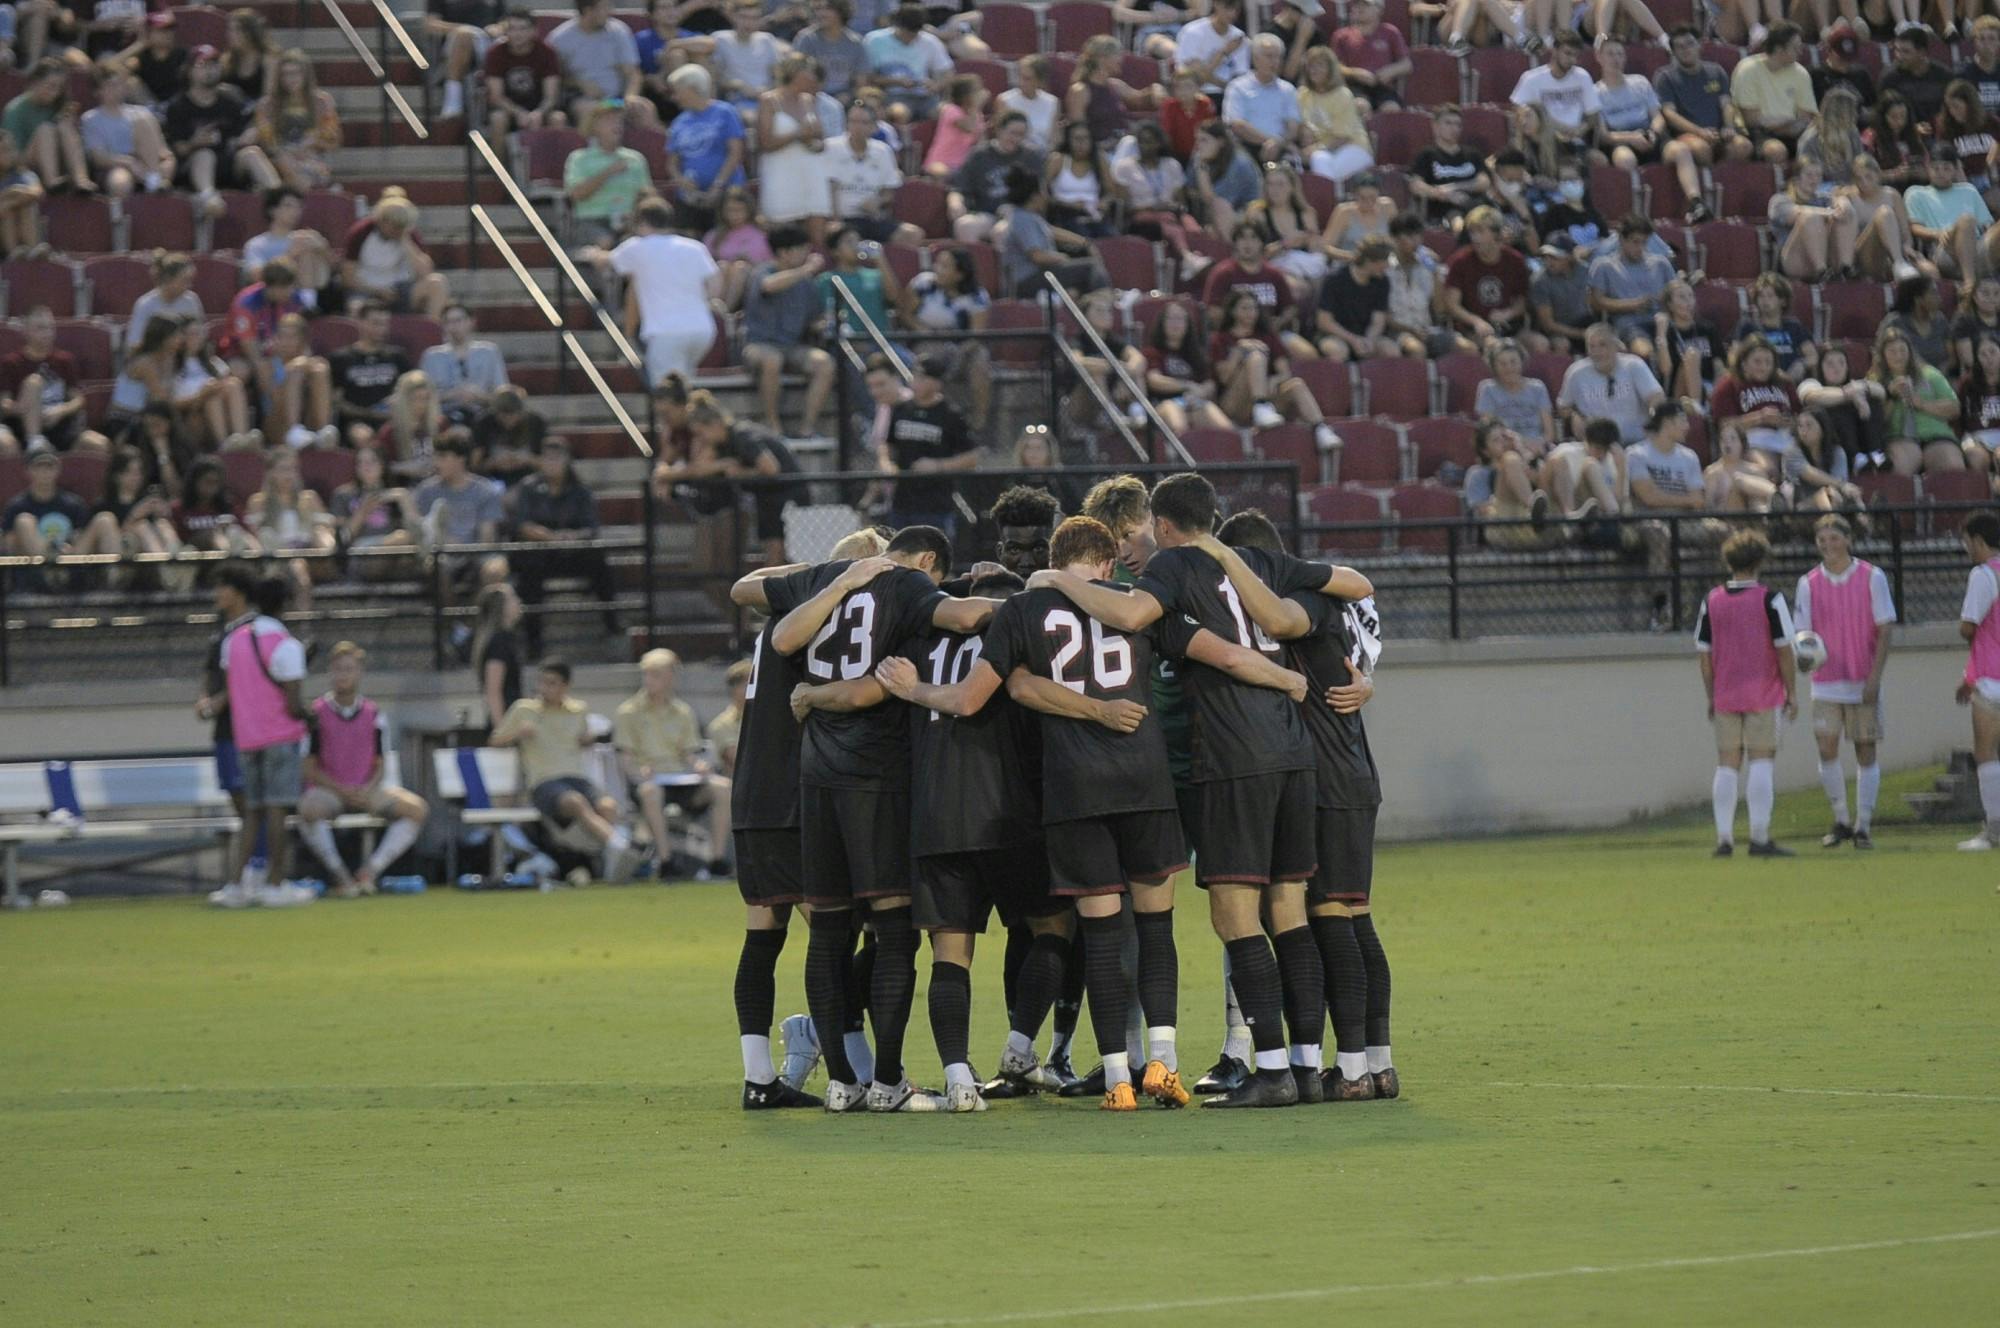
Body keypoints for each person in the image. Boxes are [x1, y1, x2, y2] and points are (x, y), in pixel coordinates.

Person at [1026, 475, 1372, 1108]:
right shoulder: (1261, 559)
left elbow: (1132, 614)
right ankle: (1304, 1064)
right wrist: (1291, 679)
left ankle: (1267, 1071)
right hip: (1296, 754)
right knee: (1289, 911)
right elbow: (1353, 585)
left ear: (1162, 525)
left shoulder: (1176, 566)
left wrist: (1058, 580)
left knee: (1234, 915)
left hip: (1233, 757)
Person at [760, 527, 999, 1112]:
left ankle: (842, 1081)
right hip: (876, 779)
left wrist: (838, 583)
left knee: (828, 931)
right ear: (926, 561)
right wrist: (1038, 595)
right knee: (894, 933)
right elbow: (965, 619)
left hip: (814, 777)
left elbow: (780, 638)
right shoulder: (910, 585)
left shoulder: (823, 578)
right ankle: (888, 1081)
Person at [1216, 507, 1390, 1099]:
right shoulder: (1329, 602)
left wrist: (1224, 562)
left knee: (1333, 922)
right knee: (1351, 921)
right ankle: (1374, 1064)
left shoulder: (1305, 602)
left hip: (1331, 782)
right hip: (1348, 775)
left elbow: (1284, 620)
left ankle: (1356, 1068)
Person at [209, 567, 316, 907]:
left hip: (246, 737)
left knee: (250, 813)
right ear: (284, 605)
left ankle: (237, 886)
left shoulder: (233, 640)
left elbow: (234, 688)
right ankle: (275, 883)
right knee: (276, 812)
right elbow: (293, 703)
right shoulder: (286, 645)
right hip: (280, 736)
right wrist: (312, 717)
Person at [1788, 513, 1896, 851]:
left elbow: (1885, 629)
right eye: (1822, 539)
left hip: (1861, 678)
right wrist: (1805, 658)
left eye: (1834, 538)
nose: (1828, 544)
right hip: (1826, 680)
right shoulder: (1808, 583)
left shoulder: (1871, 577)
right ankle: (1840, 819)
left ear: (1848, 540)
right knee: (1826, 747)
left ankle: (1864, 824)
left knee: (1865, 749)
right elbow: (1801, 634)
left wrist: (1874, 677)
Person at [295, 642, 429, 897]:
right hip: (331, 790)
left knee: (416, 810)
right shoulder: (316, 713)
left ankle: (371, 870)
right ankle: (340, 873)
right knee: (308, 810)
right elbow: (308, 767)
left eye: (349, 669)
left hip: (366, 789)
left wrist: (366, 788)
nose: (343, 675)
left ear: (359, 673)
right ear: (330, 673)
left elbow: (380, 762)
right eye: (338, 669)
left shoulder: (373, 713)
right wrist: (342, 791)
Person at [490, 658, 641, 881]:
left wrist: (587, 739)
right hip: (543, 782)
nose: (544, 689)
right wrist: (517, 734)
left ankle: (607, 864)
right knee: (575, 802)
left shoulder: (578, 710)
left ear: (565, 687)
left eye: (551, 684)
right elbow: (495, 740)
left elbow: (583, 739)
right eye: (542, 683)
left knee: (608, 805)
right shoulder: (524, 710)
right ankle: (620, 846)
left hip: (576, 777)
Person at [1696, 529, 1798, 858]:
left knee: (1727, 764)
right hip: (1763, 694)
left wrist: (1712, 695)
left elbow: (1704, 654)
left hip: (1726, 694)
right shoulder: (1771, 600)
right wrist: (1792, 692)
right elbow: (1785, 650)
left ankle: (1724, 839)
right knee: (1762, 760)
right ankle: (1759, 836)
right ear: (1760, 561)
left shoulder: (1712, 600)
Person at [615, 648, 731, 879]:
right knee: (651, 792)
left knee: (723, 788)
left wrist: (699, 765)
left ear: (671, 677)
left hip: (682, 781)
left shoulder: (683, 711)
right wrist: (639, 772)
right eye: (646, 674)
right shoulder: (628, 712)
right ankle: (666, 861)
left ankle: (717, 859)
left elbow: (689, 753)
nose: (649, 680)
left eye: (656, 674)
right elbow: (625, 759)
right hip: (648, 782)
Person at [581, 198, 722, 386]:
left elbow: (606, 260)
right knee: (686, 388)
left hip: (666, 333)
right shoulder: (694, 247)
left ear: (642, 222)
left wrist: (591, 253)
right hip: (702, 330)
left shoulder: (638, 246)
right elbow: (716, 282)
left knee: (668, 395)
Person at [509, 436, 618, 654]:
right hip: (539, 552)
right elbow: (522, 524)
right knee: (529, 571)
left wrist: (572, 537)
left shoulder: (581, 491)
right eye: (547, 459)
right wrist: (549, 537)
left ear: (567, 461)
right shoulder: (528, 487)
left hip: (572, 552)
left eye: (557, 459)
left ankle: (612, 621)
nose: (551, 463)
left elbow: (591, 528)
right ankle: (533, 641)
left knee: (598, 560)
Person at [741, 224, 834, 441]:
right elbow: (769, 286)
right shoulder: (763, 272)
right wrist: (806, 270)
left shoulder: (807, 284)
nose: (807, 255)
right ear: (784, 252)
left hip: (793, 347)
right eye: (802, 249)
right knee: (772, 360)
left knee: (824, 363)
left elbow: (815, 318)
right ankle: (773, 426)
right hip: (759, 344)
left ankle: (807, 429)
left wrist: (823, 323)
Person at [899, 244, 992, 432]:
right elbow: (905, 314)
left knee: (980, 361)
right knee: (930, 357)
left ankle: (978, 424)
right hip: (926, 342)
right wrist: (923, 330)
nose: (937, 269)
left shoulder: (977, 296)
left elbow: (977, 335)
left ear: (960, 274)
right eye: (938, 264)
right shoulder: (922, 284)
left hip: (964, 347)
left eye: (945, 266)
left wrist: (958, 351)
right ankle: (930, 421)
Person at [879, 354, 975, 532]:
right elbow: (887, 444)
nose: (916, 382)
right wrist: (886, 463)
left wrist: (938, 465)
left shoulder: (951, 415)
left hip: (935, 505)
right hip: (902, 501)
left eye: (922, 378)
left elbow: (972, 457)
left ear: (937, 383)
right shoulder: (901, 409)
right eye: (915, 376)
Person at [0, 305, 110, 456]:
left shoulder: (65, 360)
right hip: (21, 429)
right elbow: (5, 403)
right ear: (25, 330)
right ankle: (35, 443)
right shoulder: (12, 363)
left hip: (59, 426)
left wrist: (60, 411)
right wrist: (28, 409)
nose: (47, 333)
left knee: (99, 444)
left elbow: (78, 399)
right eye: (40, 328)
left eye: (50, 328)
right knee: (34, 382)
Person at [1955, 510, 2000, 849]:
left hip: (1991, 679)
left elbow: (1968, 626)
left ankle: (1994, 830)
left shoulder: (1984, 575)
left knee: (1986, 752)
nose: (1965, 546)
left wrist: (1968, 676)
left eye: (1967, 540)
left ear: (1979, 541)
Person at [413, 433, 503, 594]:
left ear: (460, 459)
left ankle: (484, 617)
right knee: (436, 566)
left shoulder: (486, 490)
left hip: (477, 552)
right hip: (441, 553)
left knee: (495, 569)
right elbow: (420, 531)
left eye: (442, 457)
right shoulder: (426, 491)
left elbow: (486, 538)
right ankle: (449, 619)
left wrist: (463, 548)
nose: (436, 463)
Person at [997, 165, 1104, 298]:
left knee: (1080, 280)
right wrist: (1063, 258)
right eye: (1044, 191)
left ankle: (1089, 306)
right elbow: (1037, 256)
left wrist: (1084, 242)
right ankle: (1107, 301)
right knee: (1090, 268)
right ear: (1034, 196)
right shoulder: (1022, 219)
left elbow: (1052, 231)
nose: (1046, 196)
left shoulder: (1030, 216)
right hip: (1024, 282)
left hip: (1039, 275)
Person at [340, 189, 449, 319]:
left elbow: (425, 272)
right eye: (394, 226)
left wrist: (406, 241)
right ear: (382, 221)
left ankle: (433, 332)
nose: (397, 230)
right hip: (367, 290)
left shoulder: (409, 235)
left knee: (437, 283)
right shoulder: (361, 234)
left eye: (401, 226)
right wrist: (378, 291)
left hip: (399, 289)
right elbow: (348, 278)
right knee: (355, 307)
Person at [663, 65, 745, 234]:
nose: (675, 97)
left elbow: (735, 152)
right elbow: (672, 162)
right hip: (690, 199)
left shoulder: (725, 112)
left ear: (692, 88)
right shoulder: (679, 122)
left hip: (726, 196)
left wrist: (718, 186)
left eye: (678, 90)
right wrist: (680, 180)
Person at [756, 52, 832, 230]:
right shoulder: (769, 100)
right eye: (809, 73)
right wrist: (797, 135)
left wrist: (814, 141)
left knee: (816, 223)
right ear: (795, 74)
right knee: (782, 230)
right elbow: (765, 142)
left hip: (811, 172)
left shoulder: (808, 100)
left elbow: (819, 137)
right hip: (781, 172)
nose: (813, 78)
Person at [1875, 324, 1964, 474]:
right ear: (1883, 355)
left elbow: (1954, 409)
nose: (1898, 356)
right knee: (1900, 470)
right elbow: (1874, 423)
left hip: (1936, 436)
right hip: (1899, 437)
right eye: (1892, 351)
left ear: (1910, 351)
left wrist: (1921, 404)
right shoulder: (1875, 381)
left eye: (1902, 350)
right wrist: (1890, 396)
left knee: (1953, 468)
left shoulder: (1930, 374)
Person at [1559, 321, 1667, 444]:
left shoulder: (1633, 365)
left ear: (1616, 346)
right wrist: (1573, 416)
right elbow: (1563, 407)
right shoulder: (1576, 372)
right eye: (1591, 346)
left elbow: (1656, 397)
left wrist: (1654, 418)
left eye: (1602, 345)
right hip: (1596, 445)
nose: (1596, 352)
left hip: (1636, 442)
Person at [1444, 207, 1533, 351]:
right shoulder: (1460, 261)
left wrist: (1507, 313)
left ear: (1496, 234)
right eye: (1472, 232)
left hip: (1509, 327)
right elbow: (1452, 305)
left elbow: (1522, 302)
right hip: (1471, 330)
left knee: (1540, 344)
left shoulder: (1515, 260)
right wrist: (1476, 321)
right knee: (1494, 346)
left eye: (1480, 231)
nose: (1475, 238)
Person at [563, 101, 650, 247]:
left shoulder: (636, 158)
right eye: (609, 120)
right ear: (594, 127)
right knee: (606, 243)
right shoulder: (579, 158)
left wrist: (637, 218)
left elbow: (647, 195)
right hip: (592, 221)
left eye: (619, 121)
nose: (617, 125)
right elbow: (576, 194)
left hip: (629, 222)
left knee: (638, 243)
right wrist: (608, 172)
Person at [79, 65, 174, 198]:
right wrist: (128, 162)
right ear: (98, 90)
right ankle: (120, 215)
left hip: (148, 162)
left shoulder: (141, 113)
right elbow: (98, 157)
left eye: (118, 84)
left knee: (143, 120)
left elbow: (162, 151)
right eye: (109, 85)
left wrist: (166, 161)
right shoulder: (91, 118)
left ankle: (154, 183)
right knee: (120, 182)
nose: (116, 89)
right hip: (116, 166)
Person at [1588, 215, 1676, 356]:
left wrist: (1664, 299)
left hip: (1663, 321)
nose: (1640, 248)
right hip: (1628, 324)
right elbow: (1595, 302)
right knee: (1645, 352)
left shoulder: (1661, 263)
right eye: (1635, 242)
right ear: (1622, 240)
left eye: (1644, 242)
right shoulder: (1604, 265)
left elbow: (1675, 293)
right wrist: (1631, 305)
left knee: (1686, 348)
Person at [252, 48, 340, 191]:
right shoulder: (266, 105)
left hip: (312, 157)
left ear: (305, 75)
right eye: (285, 74)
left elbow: (333, 140)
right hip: (279, 159)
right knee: (285, 161)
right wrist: (288, 151)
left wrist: (312, 142)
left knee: (313, 167)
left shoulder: (322, 102)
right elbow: (267, 142)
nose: (291, 79)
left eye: (296, 73)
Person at [3, 58, 94, 196]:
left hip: (60, 160)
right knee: (45, 129)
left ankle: (81, 180)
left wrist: (70, 123)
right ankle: (51, 181)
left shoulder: (59, 105)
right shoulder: (15, 110)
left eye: (59, 88)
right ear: (35, 83)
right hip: (27, 164)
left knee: (64, 126)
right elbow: (13, 156)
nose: (55, 92)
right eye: (51, 86)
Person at [549, 0, 646, 127]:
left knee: (645, 110)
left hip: (617, 99)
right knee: (595, 112)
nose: (610, 11)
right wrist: (579, 83)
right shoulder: (560, 38)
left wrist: (631, 95)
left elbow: (633, 73)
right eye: (604, 7)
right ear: (588, 11)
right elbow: (554, 78)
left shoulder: (619, 31)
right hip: (580, 98)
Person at [3, 446, 90, 586]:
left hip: (68, 564)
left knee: (105, 519)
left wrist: (68, 549)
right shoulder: (16, 506)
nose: (44, 473)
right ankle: (47, 572)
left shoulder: (74, 504)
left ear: (57, 470)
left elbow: (80, 537)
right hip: (31, 570)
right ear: (28, 471)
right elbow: (8, 545)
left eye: (49, 467)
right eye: (39, 468)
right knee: (24, 521)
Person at [822, 99, 906, 245]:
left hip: (872, 217)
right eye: (853, 121)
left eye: (863, 122)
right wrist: (835, 220)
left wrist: (879, 201)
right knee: (848, 239)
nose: (857, 127)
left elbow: (890, 190)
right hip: (843, 218)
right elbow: (829, 188)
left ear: (874, 127)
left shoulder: (883, 151)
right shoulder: (831, 147)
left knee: (912, 234)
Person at [328, 301, 410, 449]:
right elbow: (336, 401)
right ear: (360, 322)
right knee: (363, 436)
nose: (381, 329)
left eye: (384, 324)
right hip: (356, 421)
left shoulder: (397, 356)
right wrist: (368, 413)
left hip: (392, 419)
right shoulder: (341, 359)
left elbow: (410, 391)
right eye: (376, 323)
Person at [331, 444, 419, 581]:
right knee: (402, 537)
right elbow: (343, 538)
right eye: (361, 462)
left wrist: (404, 499)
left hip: (395, 552)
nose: (366, 467)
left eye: (372, 461)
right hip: (361, 552)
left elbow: (415, 530)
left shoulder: (395, 496)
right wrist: (363, 510)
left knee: (407, 542)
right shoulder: (344, 495)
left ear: (382, 465)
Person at [1731, 22, 1814, 164]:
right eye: (1795, 48)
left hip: (1793, 131)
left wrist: (1783, 124)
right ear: (1778, 49)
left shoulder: (1801, 73)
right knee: (1776, 151)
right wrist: (1787, 123)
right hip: (1758, 134)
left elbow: (1805, 117)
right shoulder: (1748, 69)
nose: (1800, 52)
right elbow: (1753, 121)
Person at [1510, 31, 1601, 160]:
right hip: (1542, 140)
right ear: (1555, 50)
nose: (1572, 60)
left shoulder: (1582, 76)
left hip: (1574, 140)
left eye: (1575, 56)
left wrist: (1580, 130)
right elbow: (1517, 112)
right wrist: (1556, 128)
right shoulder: (1531, 78)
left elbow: (1593, 116)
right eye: (1568, 53)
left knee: (1599, 160)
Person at [418, 304, 509, 429]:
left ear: (471, 322)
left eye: (458, 321)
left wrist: (478, 396)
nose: (453, 327)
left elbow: (502, 394)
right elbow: (421, 396)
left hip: (483, 414)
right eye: (448, 322)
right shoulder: (431, 356)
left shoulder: (489, 352)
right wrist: (451, 395)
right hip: (444, 416)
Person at [484, 8, 565, 141]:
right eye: (512, 28)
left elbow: (551, 96)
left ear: (534, 31)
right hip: (507, 110)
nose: (517, 34)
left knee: (558, 118)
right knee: (497, 119)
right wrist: (518, 113)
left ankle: (555, 160)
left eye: (522, 28)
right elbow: (496, 96)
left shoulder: (547, 53)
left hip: (541, 109)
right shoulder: (495, 53)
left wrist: (539, 113)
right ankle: (497, 162)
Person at [1315, 235, 1398, 363]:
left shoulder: (1382, 281)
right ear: (1370, 261)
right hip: (1336, 334)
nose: (1388, 266)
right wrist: (1353, 339)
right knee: (1338, 351)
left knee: (1390, 351)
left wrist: (1370, 340)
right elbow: (1324, 321)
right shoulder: (1335, 279)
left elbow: (1378, 320)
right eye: (1385, 261)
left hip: (1365, 335)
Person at [1296, 45, 1371, 185]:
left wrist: (1315, 148)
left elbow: (1343, 137)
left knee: (1319, 160)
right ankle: (1331, 198)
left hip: (1353, 147)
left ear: (1330, 69)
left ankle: (1326, 199)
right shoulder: (1303, 94)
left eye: (1320, 65)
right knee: (1319, 159)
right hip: (1324, 151)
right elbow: (1300, 123)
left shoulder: (1342, 95)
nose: (1314, 70)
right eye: (1311, 66)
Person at [863, 3, 951, 121]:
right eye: (907, 32)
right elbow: (867, 77)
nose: (910, 37)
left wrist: (936, 85)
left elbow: (947, 72)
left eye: (915, 33)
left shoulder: (930, 42)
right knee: (899, 113)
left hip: (925, 97)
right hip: (892, 96)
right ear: (897, 25)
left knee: (946, 114)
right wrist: (895, 82)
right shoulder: (874, 40)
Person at [1409, 103, 1492, 226]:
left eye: (1458, 124)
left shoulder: (1472, 154)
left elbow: (1483, 182)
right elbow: (1416, 185)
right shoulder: (1427, 155)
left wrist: (1455, 186)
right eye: (1448, 123)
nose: (1454, 128)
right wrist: (1445, 195)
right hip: (1445, 211)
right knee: (1458, 220)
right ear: (1435, 126)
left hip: (1477, 207)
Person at [240, 186, 333, 295]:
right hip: (271, 298)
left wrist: (323, 250)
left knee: (308, 251)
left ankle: (308, 305)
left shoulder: (305, 238)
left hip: (306, 294)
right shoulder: (256, 244)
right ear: (272, 210)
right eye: (288, 206)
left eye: (299, 206)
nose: (295, 211)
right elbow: (256, 276)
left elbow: (330, 274)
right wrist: (290, 255)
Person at [1476, 338, 1557, 447]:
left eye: (1513, 362)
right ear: (1494, 366)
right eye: (1502, 364)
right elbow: (1489, 433)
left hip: (1537, 446)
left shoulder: (1538, 387)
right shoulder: (1487, 389)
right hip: (1505, 448)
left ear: (1522, 362)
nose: (1509, 368)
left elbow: (1549, 433)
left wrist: (1537, 445)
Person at [1331, 0, 1409, 111]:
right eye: (1356, 5)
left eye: (1365, 5)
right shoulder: (1341, 35)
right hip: (1354, 86)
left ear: (1379, 10)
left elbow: (1406, 64)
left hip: (1383, 87)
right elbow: (1334, 66)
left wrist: (1390, 70)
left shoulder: (1390, 32)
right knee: (1361, 106)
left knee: (1392, 109)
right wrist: (1355, 73)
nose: (1358, 8)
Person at [471, 581, 525, 730]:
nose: (518, 602)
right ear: (502, 607)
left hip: (513, 718)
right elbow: (493, 690)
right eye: (513, 598)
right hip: (505, 720)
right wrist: (501, 729)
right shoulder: (498, 642)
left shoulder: (508, 638)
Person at [1881, 21, 1953, 124]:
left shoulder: (1944, 76)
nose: (1899, 56)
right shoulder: (1889, 78)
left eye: (1906, 52)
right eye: (1897, 50)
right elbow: (1882, 114)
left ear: (1922, 52)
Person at [1176, 0, 1251, 97]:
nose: (1232, 13)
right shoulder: (1192, 32)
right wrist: (1224, 52)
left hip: (1230, 96)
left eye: (1236, 9)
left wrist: (1227, 87)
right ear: (1216, 4)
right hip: (1197, 96)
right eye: (1228, 7)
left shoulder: (1239, 37)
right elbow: (1197, 79)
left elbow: (1240, 77)